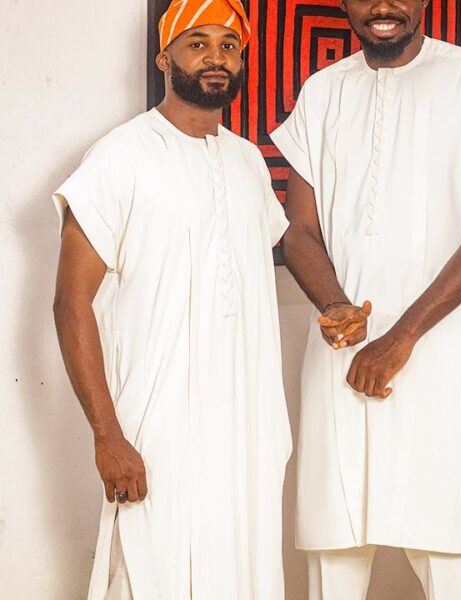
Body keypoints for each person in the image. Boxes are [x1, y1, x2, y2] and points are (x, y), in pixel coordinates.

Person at [270, 0, 461, 598]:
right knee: (335, 543)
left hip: (440, 349)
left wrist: (403, 336)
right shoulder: (323, 91)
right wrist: (335, 305)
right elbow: (299, 231)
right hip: (342, 349)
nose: (383, 6)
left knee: (446, 542)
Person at [52, 1, 291, 598]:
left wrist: (336, 306)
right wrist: (107, 435)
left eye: (229, 45)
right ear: (164, 59)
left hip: (246, 431)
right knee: (147, 574)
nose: (216, 57)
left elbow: (275, 249)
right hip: (156, 431)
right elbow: (70, 302)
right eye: (198, 42)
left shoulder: (248, 162)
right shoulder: (121, 155)